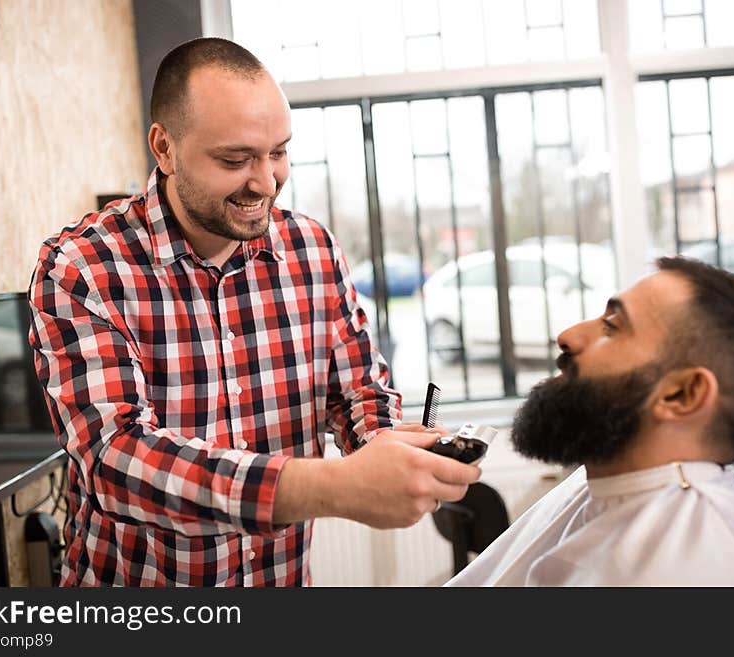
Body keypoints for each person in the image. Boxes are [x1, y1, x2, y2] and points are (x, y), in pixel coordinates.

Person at [28, 37, 479, 587]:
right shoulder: (81, 268)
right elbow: (117, 460)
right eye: (235, 159)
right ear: (163, 148)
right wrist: (337, 487)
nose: (266, 183)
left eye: (279, 152)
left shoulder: (312, 249)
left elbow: (357, 390)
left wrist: (385, 446)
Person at [446, 256, 734, 586]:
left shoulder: (699, 567)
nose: (568, 334)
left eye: (612, 326)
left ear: (682, 394)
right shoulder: (606, 485)